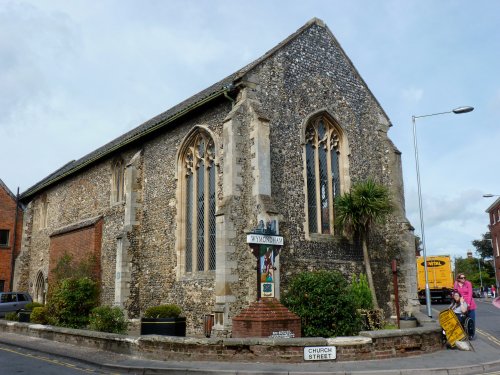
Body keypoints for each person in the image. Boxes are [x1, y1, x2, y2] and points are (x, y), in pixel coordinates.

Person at [454, 273, 476, 339]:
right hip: (461, 304)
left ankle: (471, 334)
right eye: (462, 278)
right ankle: (462, 334)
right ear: (458, 279)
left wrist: (468, 303)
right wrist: (457, 299)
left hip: (470, 305)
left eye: (464, 277)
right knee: (461, 320)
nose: (464, 279)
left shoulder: (468, 283)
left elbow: (470, 294)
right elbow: (455, 293)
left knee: (471, 320)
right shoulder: (456, 284)